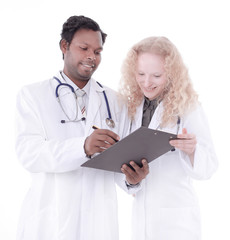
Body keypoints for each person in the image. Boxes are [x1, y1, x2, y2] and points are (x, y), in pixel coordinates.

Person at [15, 15, 148, 240]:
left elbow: (120, 161)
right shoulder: (33, 95)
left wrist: (132, 179)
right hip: (51, 221)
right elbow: (29, 154)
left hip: (99, 223)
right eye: (84, 48)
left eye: (97, 52)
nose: (91, 57)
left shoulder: (115, 101)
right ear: (64, 46)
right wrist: (82, 147)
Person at [119, 36, 218, 240]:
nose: (146, 82)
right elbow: (124, 168)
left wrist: (192, 151)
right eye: (140, 74)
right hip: (141, 217)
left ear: (171, 73)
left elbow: (209, 167)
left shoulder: (187, 107)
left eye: (156, 75)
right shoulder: (131, 108)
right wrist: (131, 181)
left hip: (177, 220)